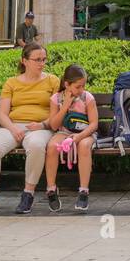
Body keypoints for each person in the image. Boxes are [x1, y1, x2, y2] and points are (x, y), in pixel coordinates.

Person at [0, 42, 59, 214]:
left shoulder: (53, 81)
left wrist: (43, 124)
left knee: (36, 146)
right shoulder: (11, 83)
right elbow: (2, 114)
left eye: (44, 59)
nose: (41, 63)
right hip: (12, 126)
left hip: (40, 127)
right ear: (24, 61)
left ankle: (28, 193)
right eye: (37, 59)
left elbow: (56, 113)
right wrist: (13, 129)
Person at [43, 64, 99, 212]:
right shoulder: (56, 99)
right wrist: (65, 105)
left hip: (85, 132)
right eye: (78, 86)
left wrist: (79, 137)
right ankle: (51, 189)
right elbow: (54, 125)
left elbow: (94, 124)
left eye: (83, 86)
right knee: (52, 146)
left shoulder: (87, 97)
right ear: (67, 84)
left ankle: (83, 190)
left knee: (84, 146)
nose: (81, 90)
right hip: (64, 132)